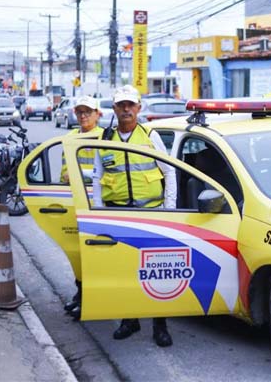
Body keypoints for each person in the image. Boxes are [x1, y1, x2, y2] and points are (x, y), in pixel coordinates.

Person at [92, 84, 177, 347]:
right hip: (118, 215)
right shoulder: (105, 139)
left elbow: (170, 171)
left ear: (139, 108)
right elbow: (97, 177)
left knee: (156, 272)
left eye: (131, 104)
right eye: (121, 105)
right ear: (114, 109)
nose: (126, 109)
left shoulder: (150, 135)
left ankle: (160, 326)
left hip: (151, 214)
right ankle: (130, 320)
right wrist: (99, 214)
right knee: (125, 271)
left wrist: (169, 211)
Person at [61, 96, 103, 321]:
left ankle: (92, 299)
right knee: (79, 254)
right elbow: (64, 173)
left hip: (100, 205)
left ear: (98, 114)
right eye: (80, 112)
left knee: (97, 255)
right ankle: (81, 294)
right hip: (77, 203)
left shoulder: (106, 137)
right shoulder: (69, 139)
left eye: (88, 111)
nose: (84, 116)